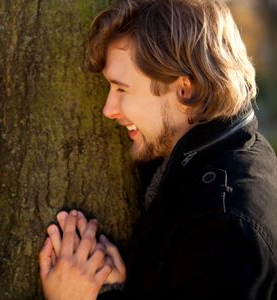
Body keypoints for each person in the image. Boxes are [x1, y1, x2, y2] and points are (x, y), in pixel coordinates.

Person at [39, 0, 277, 299]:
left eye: (122, 89)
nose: (108, 109)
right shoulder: (214, 156)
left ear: (184, 90)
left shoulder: (225, 229)